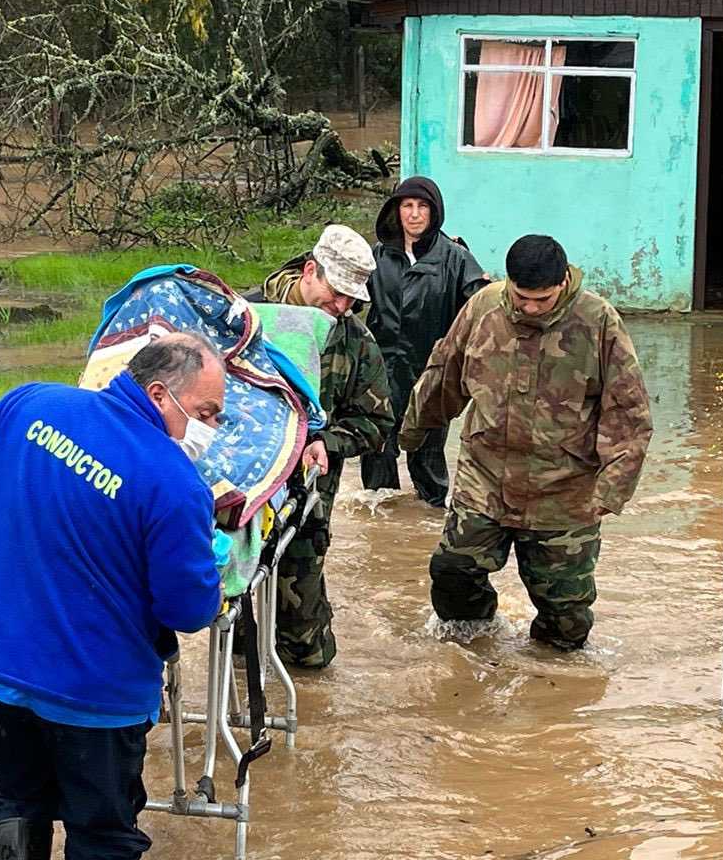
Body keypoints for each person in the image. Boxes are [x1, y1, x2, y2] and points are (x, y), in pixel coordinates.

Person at [0, 333, 226, 860]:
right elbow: (186, 606)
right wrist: (214, 566)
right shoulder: (174, 482)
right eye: (205, 413)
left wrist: (2, 568)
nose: (207, 429)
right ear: (160, 393)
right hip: (99, 696)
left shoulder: (28, 405)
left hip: (0, 668)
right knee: (100, 826)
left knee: (16, 797)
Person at [400, 234, 652, 651]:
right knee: (453, 572)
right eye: (522, 298)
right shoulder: (483, 308)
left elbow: (628, 412)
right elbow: (445, 373)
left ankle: (551, 691)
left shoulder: (598, 321)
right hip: (485, 480)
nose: (530, 308)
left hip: (564, 491)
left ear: (563, 284)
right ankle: (476, 644)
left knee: (566, 621)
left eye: (543, 300)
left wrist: (612, 488)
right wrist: (412, 430)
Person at [241, 223, 393, 668]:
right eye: (336, 293)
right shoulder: (244, 318)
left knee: (306, 649)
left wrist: (329, 441)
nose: (342, 307)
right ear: (310, 271)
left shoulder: (353, 339)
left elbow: (377, 420)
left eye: (353, 300)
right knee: (234, 640)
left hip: (306, 503)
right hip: (241, 501)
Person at [361, 175, 487, 507]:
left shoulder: (456, 258)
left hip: (432, 373)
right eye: (407, 206)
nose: (415, 214)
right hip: (381, 371)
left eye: (422, 207)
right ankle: (380, 523)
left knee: (427, 453)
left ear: (435, 212)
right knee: (376, 449)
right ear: (396, 211)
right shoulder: (376, 256)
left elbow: (482, 307)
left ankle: (430, 517)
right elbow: (344, 298)